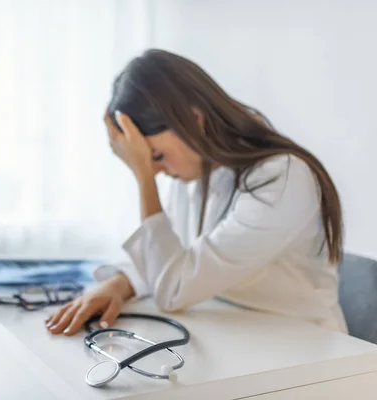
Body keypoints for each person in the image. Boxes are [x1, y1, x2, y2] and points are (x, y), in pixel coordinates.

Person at [45, 49, 347, 336]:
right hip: (238, 335)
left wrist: (143, 177)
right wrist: (119, 284)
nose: (157, 170)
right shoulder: (196, 176)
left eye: (157, 157)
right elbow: (171, 259)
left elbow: (174, 289)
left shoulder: (281, 178)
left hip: (306, 352)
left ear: (194, 121)